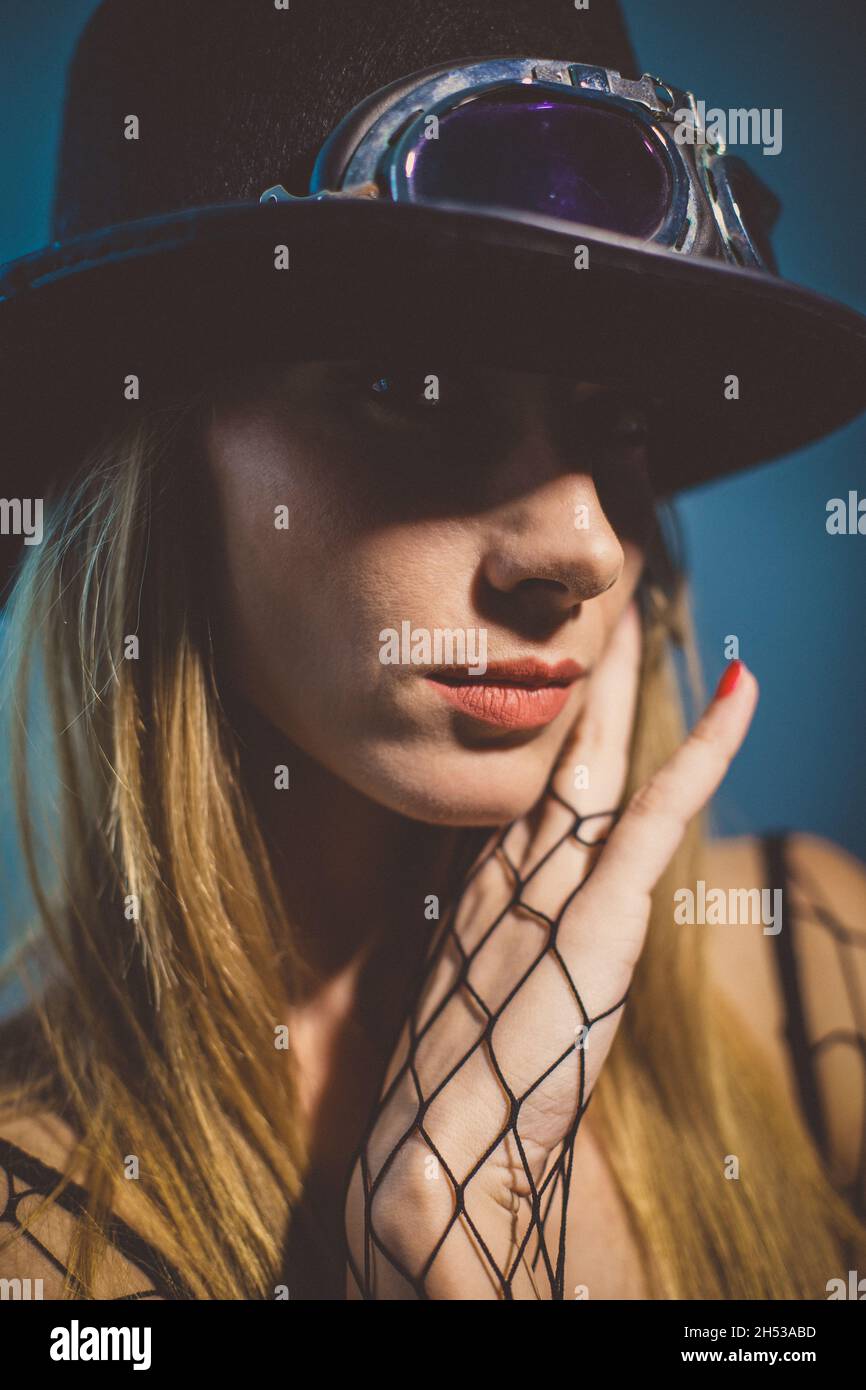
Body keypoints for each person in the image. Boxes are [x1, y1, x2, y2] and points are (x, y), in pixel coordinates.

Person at [0, 0, 865, 1302]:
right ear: (159, 474)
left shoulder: (817, 970)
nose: (579, 542)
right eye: (412, 390)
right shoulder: (34, 1234)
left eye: (614, 418)